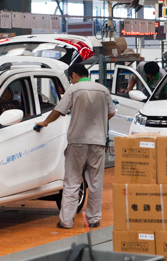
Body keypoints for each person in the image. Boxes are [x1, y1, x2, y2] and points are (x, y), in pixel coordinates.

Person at [35, 63, 115, 229]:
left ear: (74, 75)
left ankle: (66, 221)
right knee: (95, 182)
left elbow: (59, 111)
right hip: (97, 142)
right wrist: (97, 121)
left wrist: (45, 122)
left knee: (72, 181)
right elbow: (111, 112)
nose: (71, 81)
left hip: (78, 141)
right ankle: (94, 219)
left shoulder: (74, 90)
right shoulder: (103, 90)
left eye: (71, 78)